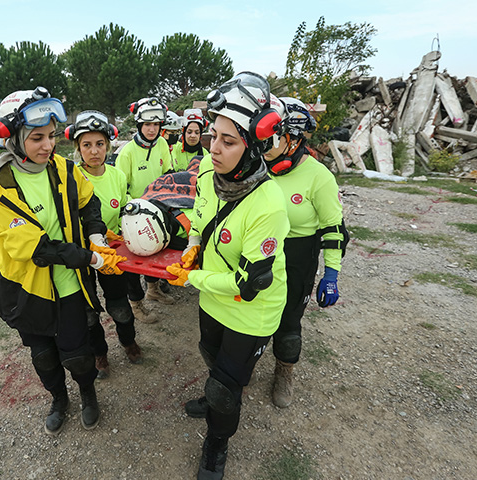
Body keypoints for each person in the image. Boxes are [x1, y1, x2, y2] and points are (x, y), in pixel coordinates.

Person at [166, 72, 290, 479]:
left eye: (228, 141)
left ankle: (215, 445)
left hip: (250, 309)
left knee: (224, 389)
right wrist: (192, 246)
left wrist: (190, 279)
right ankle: (221, 390)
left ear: (254, 147)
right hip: (210, 298)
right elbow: (202, 217)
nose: (213, 148)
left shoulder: (268, 204)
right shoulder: (207, 170)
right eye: (213, 135)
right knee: (210, 355)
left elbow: (248, 285)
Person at [0, 87, 126, 435]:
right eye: (36, 138)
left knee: (77, 350)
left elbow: (88, 202)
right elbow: (39, 248)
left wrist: (95, 233)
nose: (48, 145)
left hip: (69, 284)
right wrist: (89, 257)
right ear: (12, 138)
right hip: (28, 288)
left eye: (50, 136)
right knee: (44, 355)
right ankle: (59, 399)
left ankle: (89, 394)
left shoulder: (63, 169)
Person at [263, 96, 348, 407]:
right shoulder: (258, 168)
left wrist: (332, 274)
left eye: (269, 138)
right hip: (261, 250)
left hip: (298, 255)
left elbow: (334, 228)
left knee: (288, 320)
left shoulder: (319, 177)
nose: (262, 145)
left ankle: (284, 370)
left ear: (292, 138)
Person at [65, 110, 145, 377]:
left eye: (99, 144)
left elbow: (123, 213)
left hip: (111, 254)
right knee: (88, 312)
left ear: (109, 145)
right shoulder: (68, 180)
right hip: (81, 255)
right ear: (77, 148)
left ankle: (128, 340)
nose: (94, 151)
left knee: (119, 305)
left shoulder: (117, 177)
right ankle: (99, 353)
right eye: (86, 145)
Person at [115, 96, 175, 314]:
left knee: (156, 252)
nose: (152, 129)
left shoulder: (162, 144)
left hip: (158, 210)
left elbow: (167, 174)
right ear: (139, 125)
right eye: (148, 124)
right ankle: (136, 303)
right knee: (132, 262)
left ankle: (153, 289)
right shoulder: (127, 152)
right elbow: (120, 188)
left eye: (156, 124)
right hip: (134, 213)